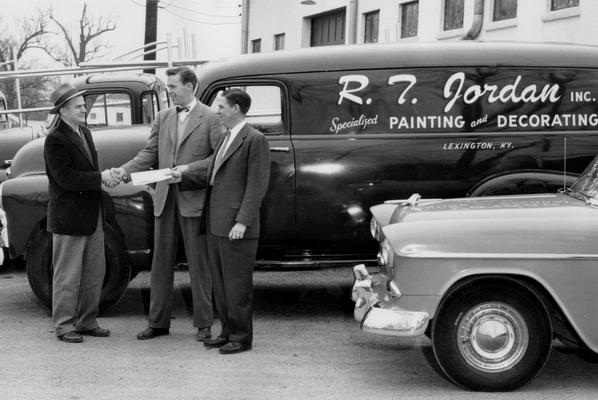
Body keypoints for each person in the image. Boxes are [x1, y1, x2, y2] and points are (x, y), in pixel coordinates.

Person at [110, 67, 223, 341]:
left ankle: (204, 324)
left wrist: (186, 169)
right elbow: (149, 152)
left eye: (173, 87)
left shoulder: (210, 118)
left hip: (193, 199)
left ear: (190, 86)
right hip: (164, 199)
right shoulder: (163, 117)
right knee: (160, 263)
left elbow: (219, 158)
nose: (169, 92)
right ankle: (158, 323)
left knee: (199, 264)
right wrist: (123, 172)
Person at [192, 88, 270, 354]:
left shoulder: (254, 139)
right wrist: (179, 174)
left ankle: (241, 337)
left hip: (236, 227)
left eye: (222, 107)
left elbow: (256, 186)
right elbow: (211, 174)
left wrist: (242, 221)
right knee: (222, 284)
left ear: (236, 109)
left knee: (237, 286)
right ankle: (227, 332)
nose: (218, 111)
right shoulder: (226, 137)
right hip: (217, 224)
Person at [44, 82, 117, 343]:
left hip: (91, 215)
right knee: (67, 275)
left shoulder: (84, 133)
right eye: (77, 107)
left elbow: (85, 172)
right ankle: (63, 325)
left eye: (83, 106)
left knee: (94, 271)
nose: (83, 109)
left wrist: (103, 178)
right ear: (62, 111)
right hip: (69, 218)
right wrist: (101, 178)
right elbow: (65, 178)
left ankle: (87, 320)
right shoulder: (55, 139)